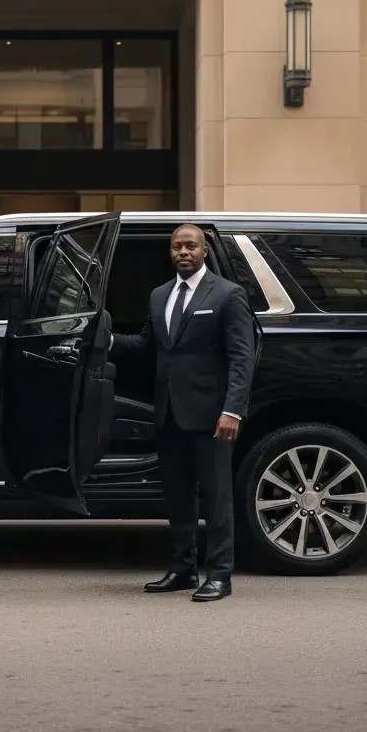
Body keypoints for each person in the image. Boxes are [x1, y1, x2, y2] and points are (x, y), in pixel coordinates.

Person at [110, 224, 258, 602]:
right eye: (177, 247)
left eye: (190, 246)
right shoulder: (160, 295)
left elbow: (242, 358)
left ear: (204, 251)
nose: (183, 252)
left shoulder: (227, 294)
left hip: (213, 416)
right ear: (170, 252)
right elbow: (148, 344)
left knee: (216, 496)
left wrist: (233, 410)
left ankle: (221, 575)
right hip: (169, 414)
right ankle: (182, 569)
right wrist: (107, 339)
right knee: (178, 497)